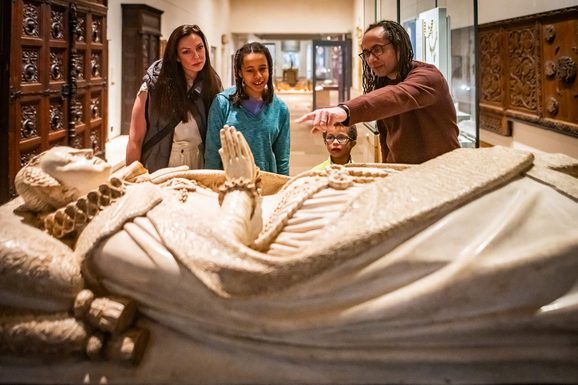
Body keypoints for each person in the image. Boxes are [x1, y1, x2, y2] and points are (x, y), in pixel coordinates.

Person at [3, 128, 578, 383]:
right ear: (58, 192)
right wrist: (240, 185)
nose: (83, 148)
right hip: (313, 242)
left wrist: (259, 183)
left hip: (307, 208)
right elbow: (230, 270)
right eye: (66, 158)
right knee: (506, 229)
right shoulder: (114, 232)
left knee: (506, 194)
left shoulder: (140, 188)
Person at [297, 20, 460, 164]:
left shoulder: (428, 77)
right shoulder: (383, 81)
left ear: (398, 46)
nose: (371, 60)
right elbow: (386, 136)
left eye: (377, 50)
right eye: (367, 53)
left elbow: (398, 95)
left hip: (439, 173)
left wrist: (344, 110)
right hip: (402, 173)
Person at [125, 24, 223, 173]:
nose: (196, 56)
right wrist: (131, 180)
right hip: (162, 161)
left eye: (199, 47)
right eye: (186, 52)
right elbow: (135, 139)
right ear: (176, 56)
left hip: (200, 160)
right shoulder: (154, 85)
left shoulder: (212, 82)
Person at [204, 42, 290, 175]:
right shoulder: (222, 103)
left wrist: (284, 189)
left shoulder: (280, 109)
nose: (258, 76)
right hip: (230, 184)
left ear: (269, 69)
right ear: (240, 73)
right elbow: (212, 153)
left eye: (262, 69)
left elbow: (282, 159)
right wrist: (211, 187)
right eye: (250, 70)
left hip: (266, 182)